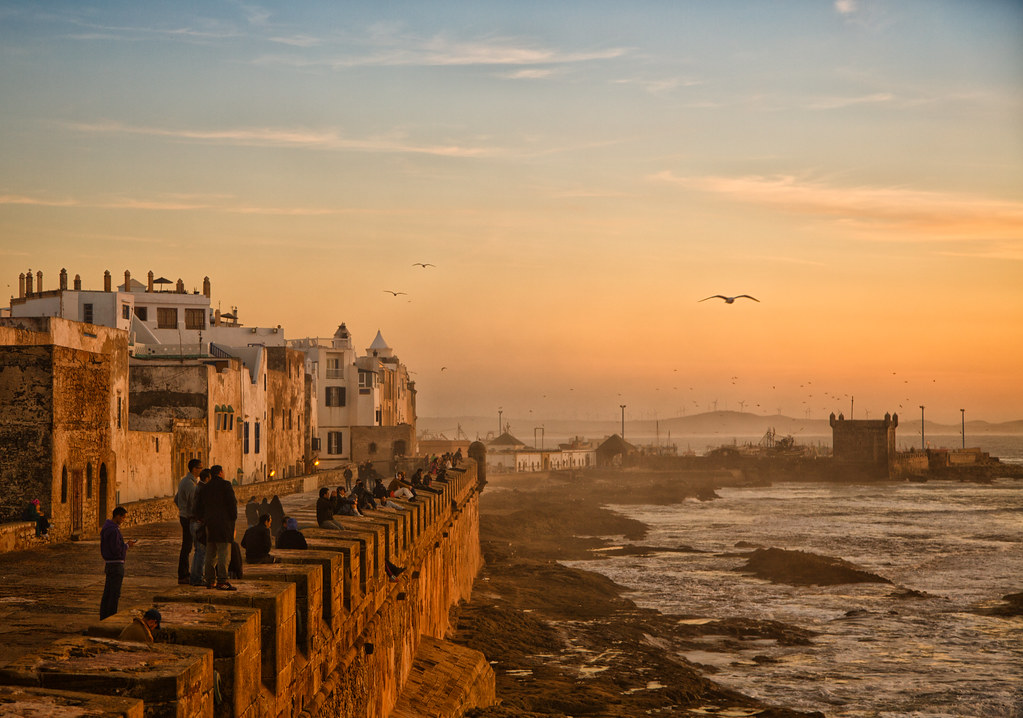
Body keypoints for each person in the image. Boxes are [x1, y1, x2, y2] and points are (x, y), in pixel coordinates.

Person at [195, 465, 238, 590]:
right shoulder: (226, 485)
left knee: (211, 552)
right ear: (220, 473)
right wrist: (232, 520)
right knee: (224, 553)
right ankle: (222, 580)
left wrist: (203, 519)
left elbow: (199, 506)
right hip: (224, 525)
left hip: (210, 524)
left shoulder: (205, 487)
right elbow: (232, 505)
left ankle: (210, 580)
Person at [100, 506, 137, 619]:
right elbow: (116, 549)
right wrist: (127, 545)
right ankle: (110, 617)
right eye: (123, 517)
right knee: (114, 594)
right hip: (116, 565)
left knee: (108, 593)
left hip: (109, 564)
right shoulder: (114, 530)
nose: (123, 520)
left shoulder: (106, 528)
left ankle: (104, 616)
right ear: (118, 516)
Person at [174, 458, 202, 585]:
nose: (201, 470)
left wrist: (181, 508)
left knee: (186, 546)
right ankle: (183, 574)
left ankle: (184, 573)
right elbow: (194, 503)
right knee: (187, 547)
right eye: (199, 467)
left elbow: (176, 498)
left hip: (184, 516)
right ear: (194, 469)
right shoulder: (190, 484)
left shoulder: (185, 481)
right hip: (187, 518)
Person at [188, 469, 211, 586]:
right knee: (201, 552)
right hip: (199, 523)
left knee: (198, 551)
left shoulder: (197, 487)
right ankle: (197, 578)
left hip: (193, 522)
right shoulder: (203, 489)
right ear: (207, 478)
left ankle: (194, 577)